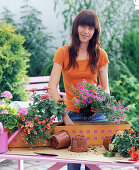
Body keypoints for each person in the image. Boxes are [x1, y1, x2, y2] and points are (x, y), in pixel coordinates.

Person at [48, 9, 110, 170]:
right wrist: (65, 117)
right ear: (76, 27)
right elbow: (52, 87)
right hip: (72, 115)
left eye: (91, 28)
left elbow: (106, 89)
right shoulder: (62, 53)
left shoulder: (100, 54)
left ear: (95, 31)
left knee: (94, 163)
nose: (86, 31)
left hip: (96, 116)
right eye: (83, 26)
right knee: (73, 164)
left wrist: (100, 103)